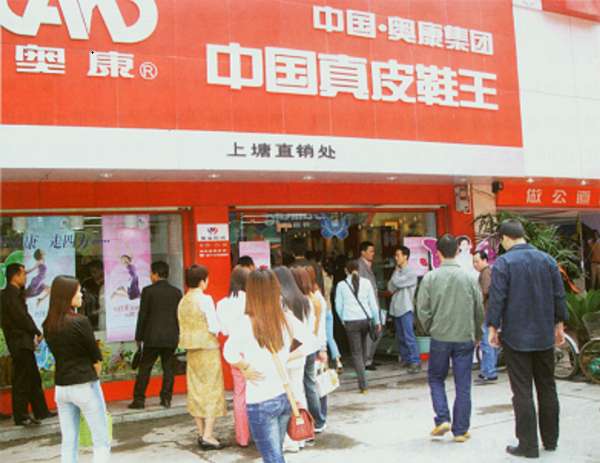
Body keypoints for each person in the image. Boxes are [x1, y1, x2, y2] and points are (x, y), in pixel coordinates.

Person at [487, 219, 568, 459]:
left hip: (516, 336)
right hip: (544, 335)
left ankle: (528, 445)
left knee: (522, 391)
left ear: (505, 238)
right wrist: (559, 325)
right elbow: (559, 295)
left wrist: (492, 327)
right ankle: (551, 441)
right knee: (547, 386)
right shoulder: (547, 260)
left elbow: (497, 298)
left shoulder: (504, 263)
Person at [224, 268, 317, 463]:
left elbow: (229, 352)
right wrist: (287, 357)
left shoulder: (246, 323)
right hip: (283, 397)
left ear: (251, 292)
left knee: (272, 457)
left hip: (260, 400)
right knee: (276, 454)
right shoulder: (284, 318)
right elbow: (311, 342)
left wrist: (244, 366)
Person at [416, 234, 484, 443]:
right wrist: (477, 334)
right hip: (464, 336)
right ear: (457, 251)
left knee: (436, 378)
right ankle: (460, 430)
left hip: (440, 336)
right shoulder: (469, 278)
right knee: (463, 384)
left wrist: (430, 328)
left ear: (437, 253)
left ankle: (443, 418)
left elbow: (422, 309)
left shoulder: (430, 278)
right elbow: (479, 309)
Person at [43, 275, 110, 463]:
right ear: (67, 295)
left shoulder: (48, 324)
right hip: (84, 384)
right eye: (78, 291)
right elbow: (96, 357)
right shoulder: (80, 321)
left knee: (69, 440)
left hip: (62, 388)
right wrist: (95, 379)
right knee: (101, 440)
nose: (81, 295)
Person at [178, 264, 226, 450]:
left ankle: (200, 432)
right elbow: (214, 326)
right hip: (208, 349)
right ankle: (208, 435)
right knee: (212, 389)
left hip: (191, 350)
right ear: (202, 281)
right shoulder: (205, 300)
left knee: (195, 390)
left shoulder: (183, 301)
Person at [0, 263, 53, 426]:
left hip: (22, 341)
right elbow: (21, 317)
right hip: (19, 342)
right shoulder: (10, 295)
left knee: (32, 377)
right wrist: (36, 331)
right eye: (23, 274)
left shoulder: (14, 294)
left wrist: (34, 332)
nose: (25, 277)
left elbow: (24, 316)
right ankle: (21, 415)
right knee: (22, 379)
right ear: (15, 276)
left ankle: (41, 411)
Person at [129, 261, 182, 410]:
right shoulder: (177, 292)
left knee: (145, 368)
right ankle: (166, 399)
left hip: (152, 337)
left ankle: (139, 400)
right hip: (171, 337)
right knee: (168, 368)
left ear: (156, 274)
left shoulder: (148, 291)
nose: (150, 276)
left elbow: (143, 316)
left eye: (151, 273)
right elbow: (179, 316)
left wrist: (138, 337)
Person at [273, 266, 311, 453]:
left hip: (287, 353)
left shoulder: (280, 301)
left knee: (287, 396)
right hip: (301, 353)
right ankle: (303, 434)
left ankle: (290, 439)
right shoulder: (304, 300)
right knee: (299, 392)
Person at [216, 266, 251, 448]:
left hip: (234, 351)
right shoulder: (252, 300)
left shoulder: (222, 304)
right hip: (253, 350)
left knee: (239, 393)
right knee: (258, 390)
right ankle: (258, 432)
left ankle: (242, 437)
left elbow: (224, 331)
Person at [335, 260, 381, 393]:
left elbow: (338, 306)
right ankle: (363, 378)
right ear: (358, 269)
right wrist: (377, 321)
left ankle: (363, 385)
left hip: (350, 321)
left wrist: (343, 320)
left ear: (346, 271)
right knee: (363, 350)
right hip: (365, 320)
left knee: (356, 353)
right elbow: (373, 304)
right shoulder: (366, 283)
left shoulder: (341, 285)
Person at [290, 267, 327, 434]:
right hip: (312, 346)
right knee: (310, 384)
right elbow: (319, 328)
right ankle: (318, 420)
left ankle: (307, 422)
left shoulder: (298, 301)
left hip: (301, 348)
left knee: (300, 386)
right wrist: (321, 347)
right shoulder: (314, 299)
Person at [387, 245, 421, 374]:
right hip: (396, 308)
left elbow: (396, 283)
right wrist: (396, 276)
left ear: (405, 256)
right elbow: (390, 287)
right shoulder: (398, 271)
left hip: (406, 308)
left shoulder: (411, 273)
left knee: (409, 336)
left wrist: (396, 275)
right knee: (401, 336)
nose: (396, 258)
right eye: (395, 256)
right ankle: (406, 359)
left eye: (398, 255)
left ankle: (415, 361)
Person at [357, 241, 383, 371]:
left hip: (374, 304)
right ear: (363, 252)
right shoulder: (359, 266)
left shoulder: (368, 265)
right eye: (370, 251)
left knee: (377, 331)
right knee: (369, 333)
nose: (373, 253)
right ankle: (366, 360)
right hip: (367, 305)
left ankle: (370, 358)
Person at [473, 251, 497, 385]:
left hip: (486, 312)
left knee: (486, 343)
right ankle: (487, 370)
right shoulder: (486, 272)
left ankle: (489, 372)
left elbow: (485, 291)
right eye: (473, 262)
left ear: (484, 260)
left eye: (477, 261)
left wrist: (477, 304)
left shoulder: (486, 273)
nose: (475, 264)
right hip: (489, 312)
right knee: (488, 342)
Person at [322, 263, 343, 373]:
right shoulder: (330, 278)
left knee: (321, 337)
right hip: (329, 309)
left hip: (321, 310)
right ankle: (338, 361)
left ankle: (325, 364)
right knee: (330, 337)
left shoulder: (319, 280)